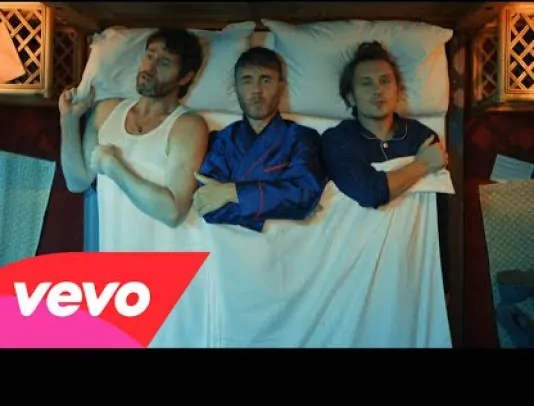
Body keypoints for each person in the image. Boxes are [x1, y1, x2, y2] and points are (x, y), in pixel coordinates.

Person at [321, 41, 450, 298]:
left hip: (411, 265)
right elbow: (369, 192)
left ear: (397, 90)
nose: (377, 90)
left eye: (384, 81)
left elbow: (439, 215)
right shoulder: (337, 140)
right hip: (354, 268)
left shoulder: (420, 137)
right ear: (350, 96)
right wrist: (422, 164)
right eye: (366, 83)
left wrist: (445, 282)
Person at [59, 28, 209, 250]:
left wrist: (114, 168)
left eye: (164, 63)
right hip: (113, 257)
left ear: (185, 77)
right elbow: (77, 181)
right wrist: (69, 120)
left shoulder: (188, 126)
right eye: (149, 55)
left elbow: (173, 212)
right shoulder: (107, 110)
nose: (150, 67)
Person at [193, 46, 327, 232]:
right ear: (236, 88)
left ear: (281, 86)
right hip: (227, 244)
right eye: (247, 80)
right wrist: (284, 210)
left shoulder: (302, 138)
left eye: (266, 80)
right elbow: (208, 205)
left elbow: (303, 195)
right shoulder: (221, 141)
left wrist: (232, 192)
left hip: (287, 244)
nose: (256, 90)